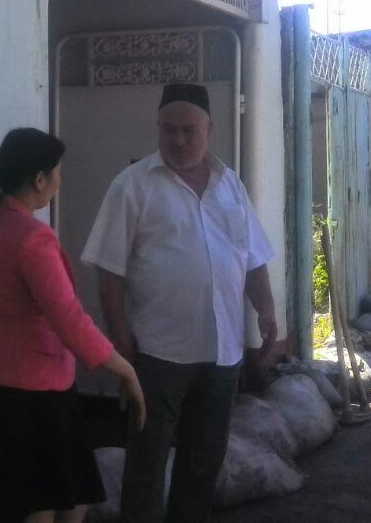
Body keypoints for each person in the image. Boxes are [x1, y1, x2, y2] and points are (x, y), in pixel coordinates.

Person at [82, 83, 277, 523]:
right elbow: (109, 271)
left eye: (189, 130)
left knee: (204, 459)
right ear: (158, 128)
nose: (179, 139)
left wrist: (266, 310)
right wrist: (120, 345)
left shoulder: (230, 184)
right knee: (147, 461)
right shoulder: (132, 185)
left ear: (210, 129)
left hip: (222, 352)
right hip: (158, 354)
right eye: (168, 129)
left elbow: (251, 256)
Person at [0, 127, 147, 523]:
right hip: (38, 395)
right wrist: (124, 369)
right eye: (57, 172)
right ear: (39, 178)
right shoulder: (33, 238)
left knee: (25, 501)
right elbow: (68, 318)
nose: (60, 180)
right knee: (47, 504)